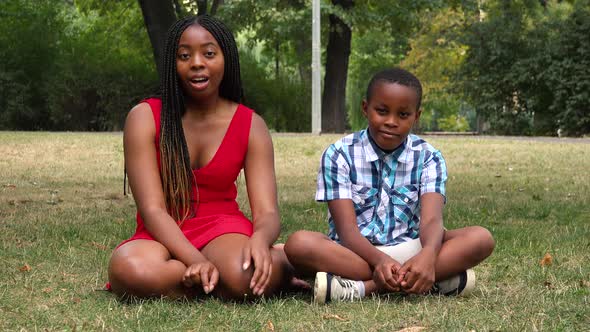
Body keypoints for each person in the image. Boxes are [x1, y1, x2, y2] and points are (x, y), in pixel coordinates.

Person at [107, 14, 299, 300]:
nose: (197, 62)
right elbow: (152, 209)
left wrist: (260, 239)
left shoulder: (250, 125)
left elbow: (267, 212)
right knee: (130, 270)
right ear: (173, 63)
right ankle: (215, 279)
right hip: (162, 231)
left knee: (244, 276)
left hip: (224, 227)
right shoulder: (145, 118)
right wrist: (194, 259)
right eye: (184, 55)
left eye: (209, 53)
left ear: (227, 59)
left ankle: (276, 260)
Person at [284, 68, 495, 303]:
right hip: (356, 253)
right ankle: (433, 280)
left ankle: (361, 289)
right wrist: (380, 261)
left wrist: (427, 255)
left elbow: (432, 221)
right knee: (298, 244)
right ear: (365, 108)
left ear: (416, 116)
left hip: (412, 247)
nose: (391, 122)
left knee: (481, 238)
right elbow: (347, 231)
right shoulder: (339, 154)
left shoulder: (428, 157)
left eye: (403, 115)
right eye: (382, 111)